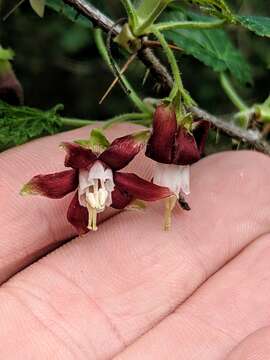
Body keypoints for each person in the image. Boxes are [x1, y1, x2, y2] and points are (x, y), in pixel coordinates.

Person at [0, 123, 269, 359]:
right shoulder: (87, 199)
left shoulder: (121, 184)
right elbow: (47, 187)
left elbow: (141, 187)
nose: (97, 197)